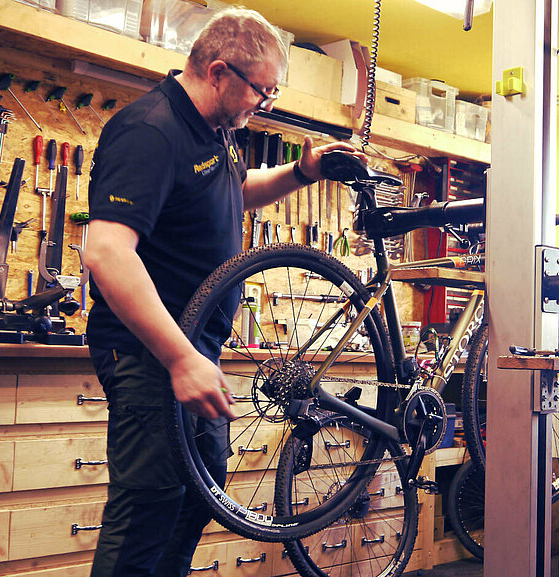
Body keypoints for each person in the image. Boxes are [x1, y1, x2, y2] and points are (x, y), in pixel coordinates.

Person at [82, 7, 364, 577]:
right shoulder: (151, 130)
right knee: (146, 513)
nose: (266, 102)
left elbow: (235, 191)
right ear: (218, 71)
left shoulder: (210, 130)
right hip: (152, 355)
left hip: (194, 354)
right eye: (262, 90)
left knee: (194, 501)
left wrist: (303, 172)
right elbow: (106, 252)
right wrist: (181, 357)